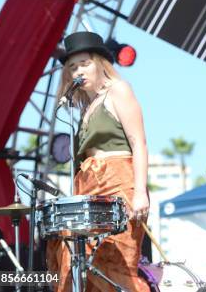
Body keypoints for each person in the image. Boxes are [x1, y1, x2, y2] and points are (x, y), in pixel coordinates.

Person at [47, 31, 150, 291]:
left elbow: (139, 143)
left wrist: (139, 192)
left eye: (84, 63)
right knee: (78, 260)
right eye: (72, 67)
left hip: (118, 182)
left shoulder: (118, 90)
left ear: (100, 64)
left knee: (116, 262)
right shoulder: (85, 108)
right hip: (90, 186)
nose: (77, 70)